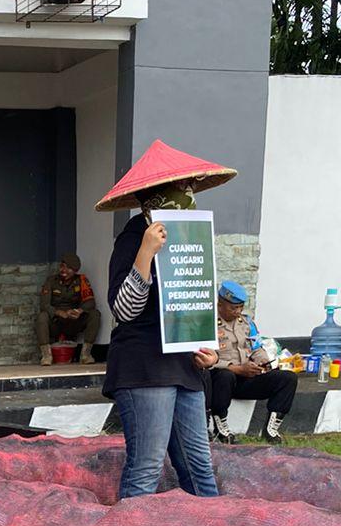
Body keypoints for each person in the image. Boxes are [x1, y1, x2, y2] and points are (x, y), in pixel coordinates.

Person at [96, 140, 236, 499]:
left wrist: (209, 351)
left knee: (199, 466)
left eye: (190, 188)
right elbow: (124, 311)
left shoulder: (191, 239)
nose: (188, 196)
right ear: (154, 200)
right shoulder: (132, 239)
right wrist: (145, 253)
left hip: (186, 367)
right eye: (180, 189)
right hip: (144, 367)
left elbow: (195, 304)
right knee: (147, 466)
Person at [202, 281, 297, 445]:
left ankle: (271, 429)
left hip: (247, 376)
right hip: (221, 381)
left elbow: (256, 347)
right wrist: (236, 369)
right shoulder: (207, 324)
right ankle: (220, 428)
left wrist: (264, 362)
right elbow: (205, 359)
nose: (238, 311)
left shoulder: (246, 323)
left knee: (288, 378)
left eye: (240, 307)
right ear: (220, 304)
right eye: (234, 308)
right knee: (224, 376)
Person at [36, 252, 100, 365]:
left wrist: (79, 311)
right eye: (62, 266)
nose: (63, 270)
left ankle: (85, 355)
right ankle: (46, 356)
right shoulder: (51, 281)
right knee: (42, 317)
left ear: (75, 270)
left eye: (68, 268)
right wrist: (60, 313)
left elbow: (90, 302)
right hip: (56, 322)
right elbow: (44, 305)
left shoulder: (81, 280)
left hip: (74, 321)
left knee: (95, 314)